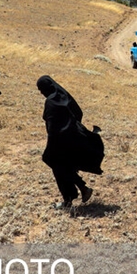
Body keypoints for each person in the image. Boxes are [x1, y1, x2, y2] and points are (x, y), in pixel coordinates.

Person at [36, 76, 103, 211]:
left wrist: (54, 139)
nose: (41, 92)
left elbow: (52, 125)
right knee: (65, 165)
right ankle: (82, 189)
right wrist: (73, 125)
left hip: (59, 140)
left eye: (41, 89)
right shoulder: (63, 95)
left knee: (56, 164)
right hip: (75, 135)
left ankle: (70, 198)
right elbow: (78, 111)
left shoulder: (50, 102)